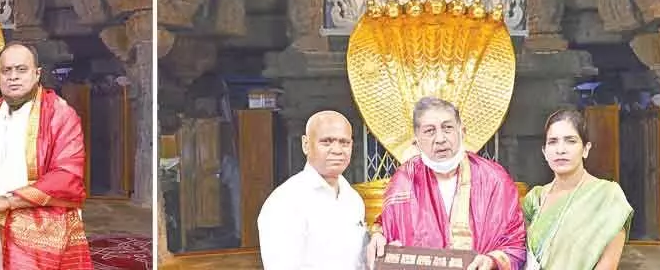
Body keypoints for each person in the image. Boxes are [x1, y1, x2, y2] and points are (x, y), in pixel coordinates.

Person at [368, 98, 526, 270]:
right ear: (416, 140)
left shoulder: (495, 179)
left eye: (447, 128)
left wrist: (491, 261)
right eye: (429, 131)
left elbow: (515, 244)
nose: (440, 139)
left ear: (462, 131)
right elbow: (387, 226)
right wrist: (378, 237)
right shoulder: (404, 180)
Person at [0, 42, 91, 269]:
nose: (13, 77)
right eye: (6, 71)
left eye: (21, 69)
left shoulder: (60, 114)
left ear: (37, 74)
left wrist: (7, 202)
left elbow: (67, 177)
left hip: (42, 227)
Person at [257, 111, 375, 270]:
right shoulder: (286, 201)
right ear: (306, 144)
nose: (337, 150)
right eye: (327, 142)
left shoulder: (353, 199)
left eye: (344, 142)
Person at [523, 109, 632, 269]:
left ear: (586, 149)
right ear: (545, 152)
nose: (561, 149)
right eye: (553, 142)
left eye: (570, 141)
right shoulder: (535, 199)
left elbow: (608, 265)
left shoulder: (607, 196)